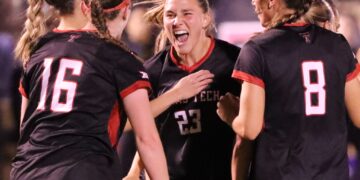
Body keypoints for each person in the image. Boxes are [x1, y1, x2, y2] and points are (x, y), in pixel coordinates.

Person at [10, 0, 169, 179]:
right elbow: (147, 140)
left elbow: (26, 128)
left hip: (28, 170)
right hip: (84, 169)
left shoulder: (40, 49)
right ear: (126, 12)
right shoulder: (120, 59)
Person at [218, 0, 360, 179]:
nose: (253, 2)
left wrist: (232, 116)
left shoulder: (257, 49)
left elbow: (249, 129)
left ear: (272, 2)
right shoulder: (338, 43)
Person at [124, 0, 246, 179]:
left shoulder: (234, 62)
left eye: (187, 14)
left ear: (205, 19)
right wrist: (175, 94)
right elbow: (131, 123)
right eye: (170, 15)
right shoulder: (154, 70)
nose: (177, 21)